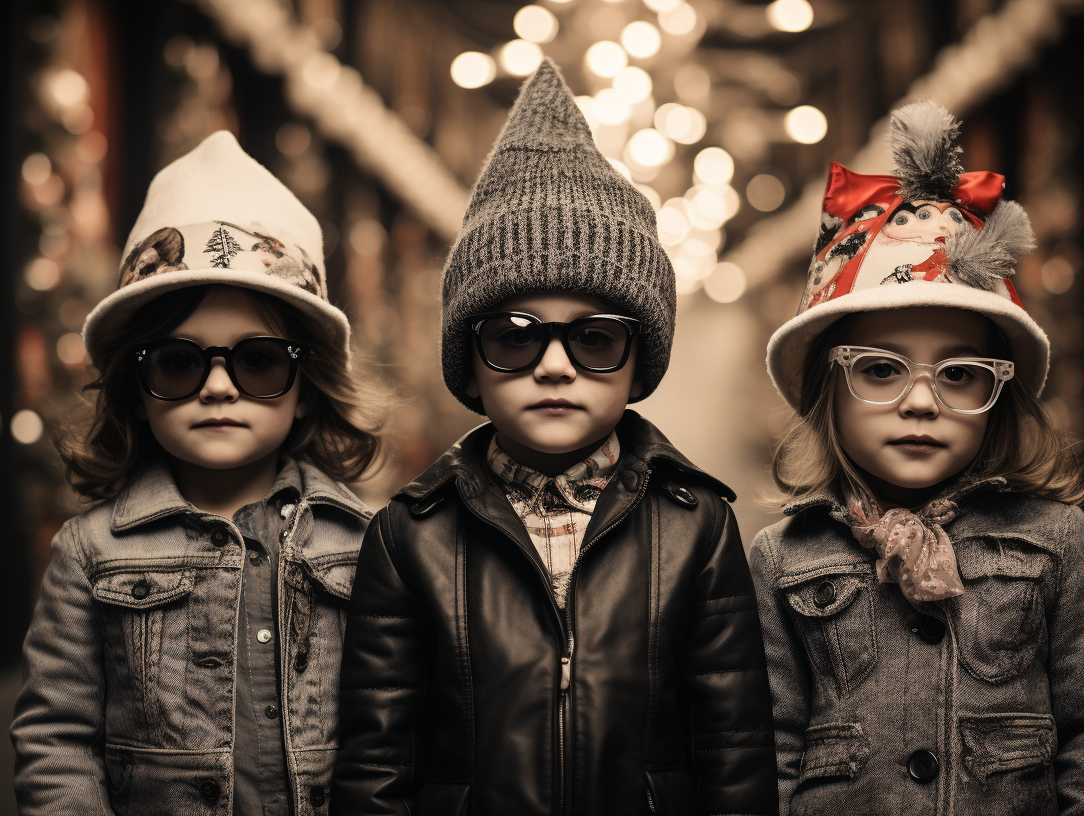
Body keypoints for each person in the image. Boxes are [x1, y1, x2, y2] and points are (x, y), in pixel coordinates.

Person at [331, 60, 778, 816]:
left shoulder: (697, 526)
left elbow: (733, 748)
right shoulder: (410, 537)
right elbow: (376, 758)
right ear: (469, 364)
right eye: (514, 337)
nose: (555, 367)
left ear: (639, 361)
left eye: (595, 339)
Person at [753, 101, 1084, 816]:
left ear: (999, 396)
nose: (922, 402)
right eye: (880, 369)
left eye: (960, 374)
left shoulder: (1057, 541)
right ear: (828, 390)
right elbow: (769, 745)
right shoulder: (783, 558)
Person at [11, 132, 383, 816]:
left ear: (305, 385)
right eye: (179, 362)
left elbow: (395, 735)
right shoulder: (90, 553)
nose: (218, 388)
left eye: (259, 361)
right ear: (136, 386)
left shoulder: (368, 542)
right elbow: (57, 739)